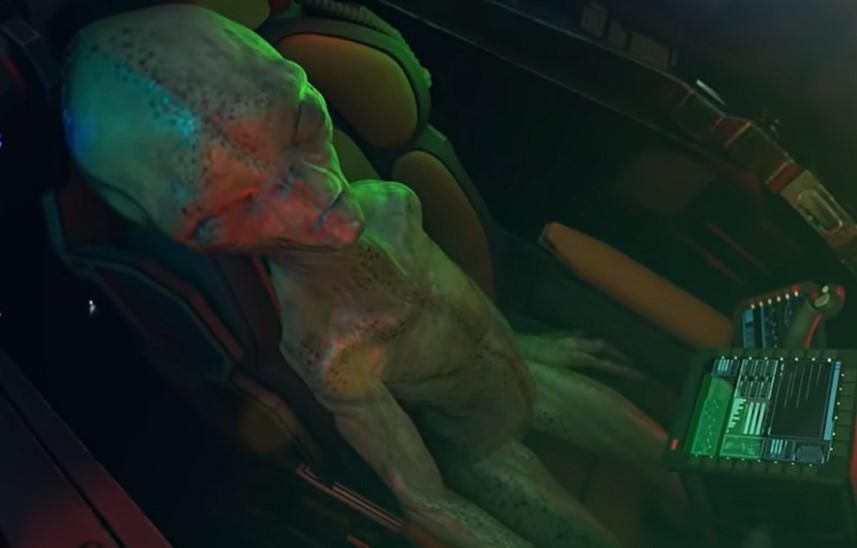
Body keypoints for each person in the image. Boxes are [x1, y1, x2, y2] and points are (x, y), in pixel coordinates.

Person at [62, 5, 681, 546]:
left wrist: (529, 347)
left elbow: (459, 300)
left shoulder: (388, 203)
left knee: (681, 465)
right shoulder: (327, 346)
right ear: (195, 237)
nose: (318, 200)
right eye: (239, 207)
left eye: (300, 125)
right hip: (487, 449)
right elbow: (427, 499)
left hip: (528, 375)